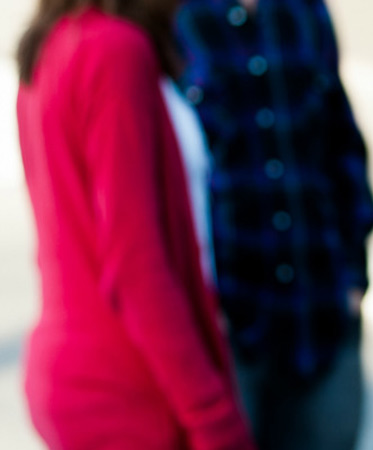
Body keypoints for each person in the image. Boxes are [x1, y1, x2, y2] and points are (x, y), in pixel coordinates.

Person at [15, 1, 255, 448]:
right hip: (129, 389)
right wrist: (214, 417)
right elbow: (136, 265)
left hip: (79, 373)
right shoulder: (115, 50)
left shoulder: (57, 40)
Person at [172, 0, 373, 448]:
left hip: (321, 302)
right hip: (232, 318)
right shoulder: (181, 20)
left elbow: (343, 142)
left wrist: (355, 273)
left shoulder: (306, 12)